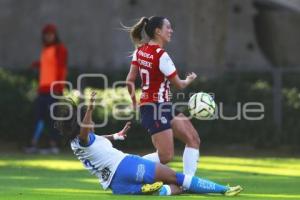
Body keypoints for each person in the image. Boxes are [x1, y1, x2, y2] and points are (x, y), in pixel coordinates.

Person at [54, 92, 242, 196]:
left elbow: (98, 140)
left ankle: (162, 190)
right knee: (180, 179)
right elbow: (87, 130)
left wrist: (117, 135)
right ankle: (223, 189)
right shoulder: (85, 136)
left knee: (175, 188)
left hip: (116, 186)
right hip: (127, 165)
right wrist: (90, 109)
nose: (93, 123)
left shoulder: (76, 144)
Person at [125, 16, 200, 176]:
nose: (171, 31)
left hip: (161, 105)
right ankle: (127, 168)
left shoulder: (140, 51)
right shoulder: (161, 56)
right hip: (155, 108)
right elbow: (179, 85)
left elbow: (129, 80)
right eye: (168, 27)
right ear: (158, 31)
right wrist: (189, 79)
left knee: (193, 138)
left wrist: (134, 103)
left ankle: (188, 182)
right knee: (165, 156)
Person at [25, 24, 68, 154]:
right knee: (39, 117)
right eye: (46, 34)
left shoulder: (60, 49)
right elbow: (47, 65)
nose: (49, 36)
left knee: (52, 118)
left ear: (55, 35)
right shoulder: (45, 49)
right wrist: (36, 64)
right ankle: (33, 144)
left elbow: (61, 68)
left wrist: (59, 87)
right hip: (42, 90)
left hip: (53, 89)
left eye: (51, 34)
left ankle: (53, 146)